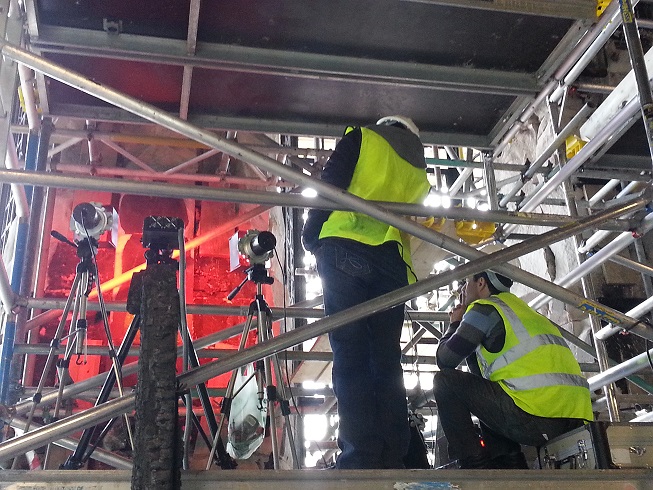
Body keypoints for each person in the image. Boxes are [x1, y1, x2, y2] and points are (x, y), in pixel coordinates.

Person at [302, 115, 430, 469]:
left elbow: (332, 182)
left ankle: (360, 457)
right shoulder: (418, 164)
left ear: (385, 125)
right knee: (387, 361)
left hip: (345, 247)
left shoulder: (364, 138)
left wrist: (311, 234)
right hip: (390, 260)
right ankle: (393, 454)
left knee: (351, 357)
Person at [433, 270, 594, 469]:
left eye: (466, 282)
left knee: (444, 381)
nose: (462, 290)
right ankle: (511, 463)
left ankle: (474, 465)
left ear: (481, 282)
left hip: (535, 416)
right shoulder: (522, 309)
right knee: (490, 385)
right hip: (577, 420)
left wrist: (454, 324)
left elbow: (445, 359)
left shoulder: (484, 309)